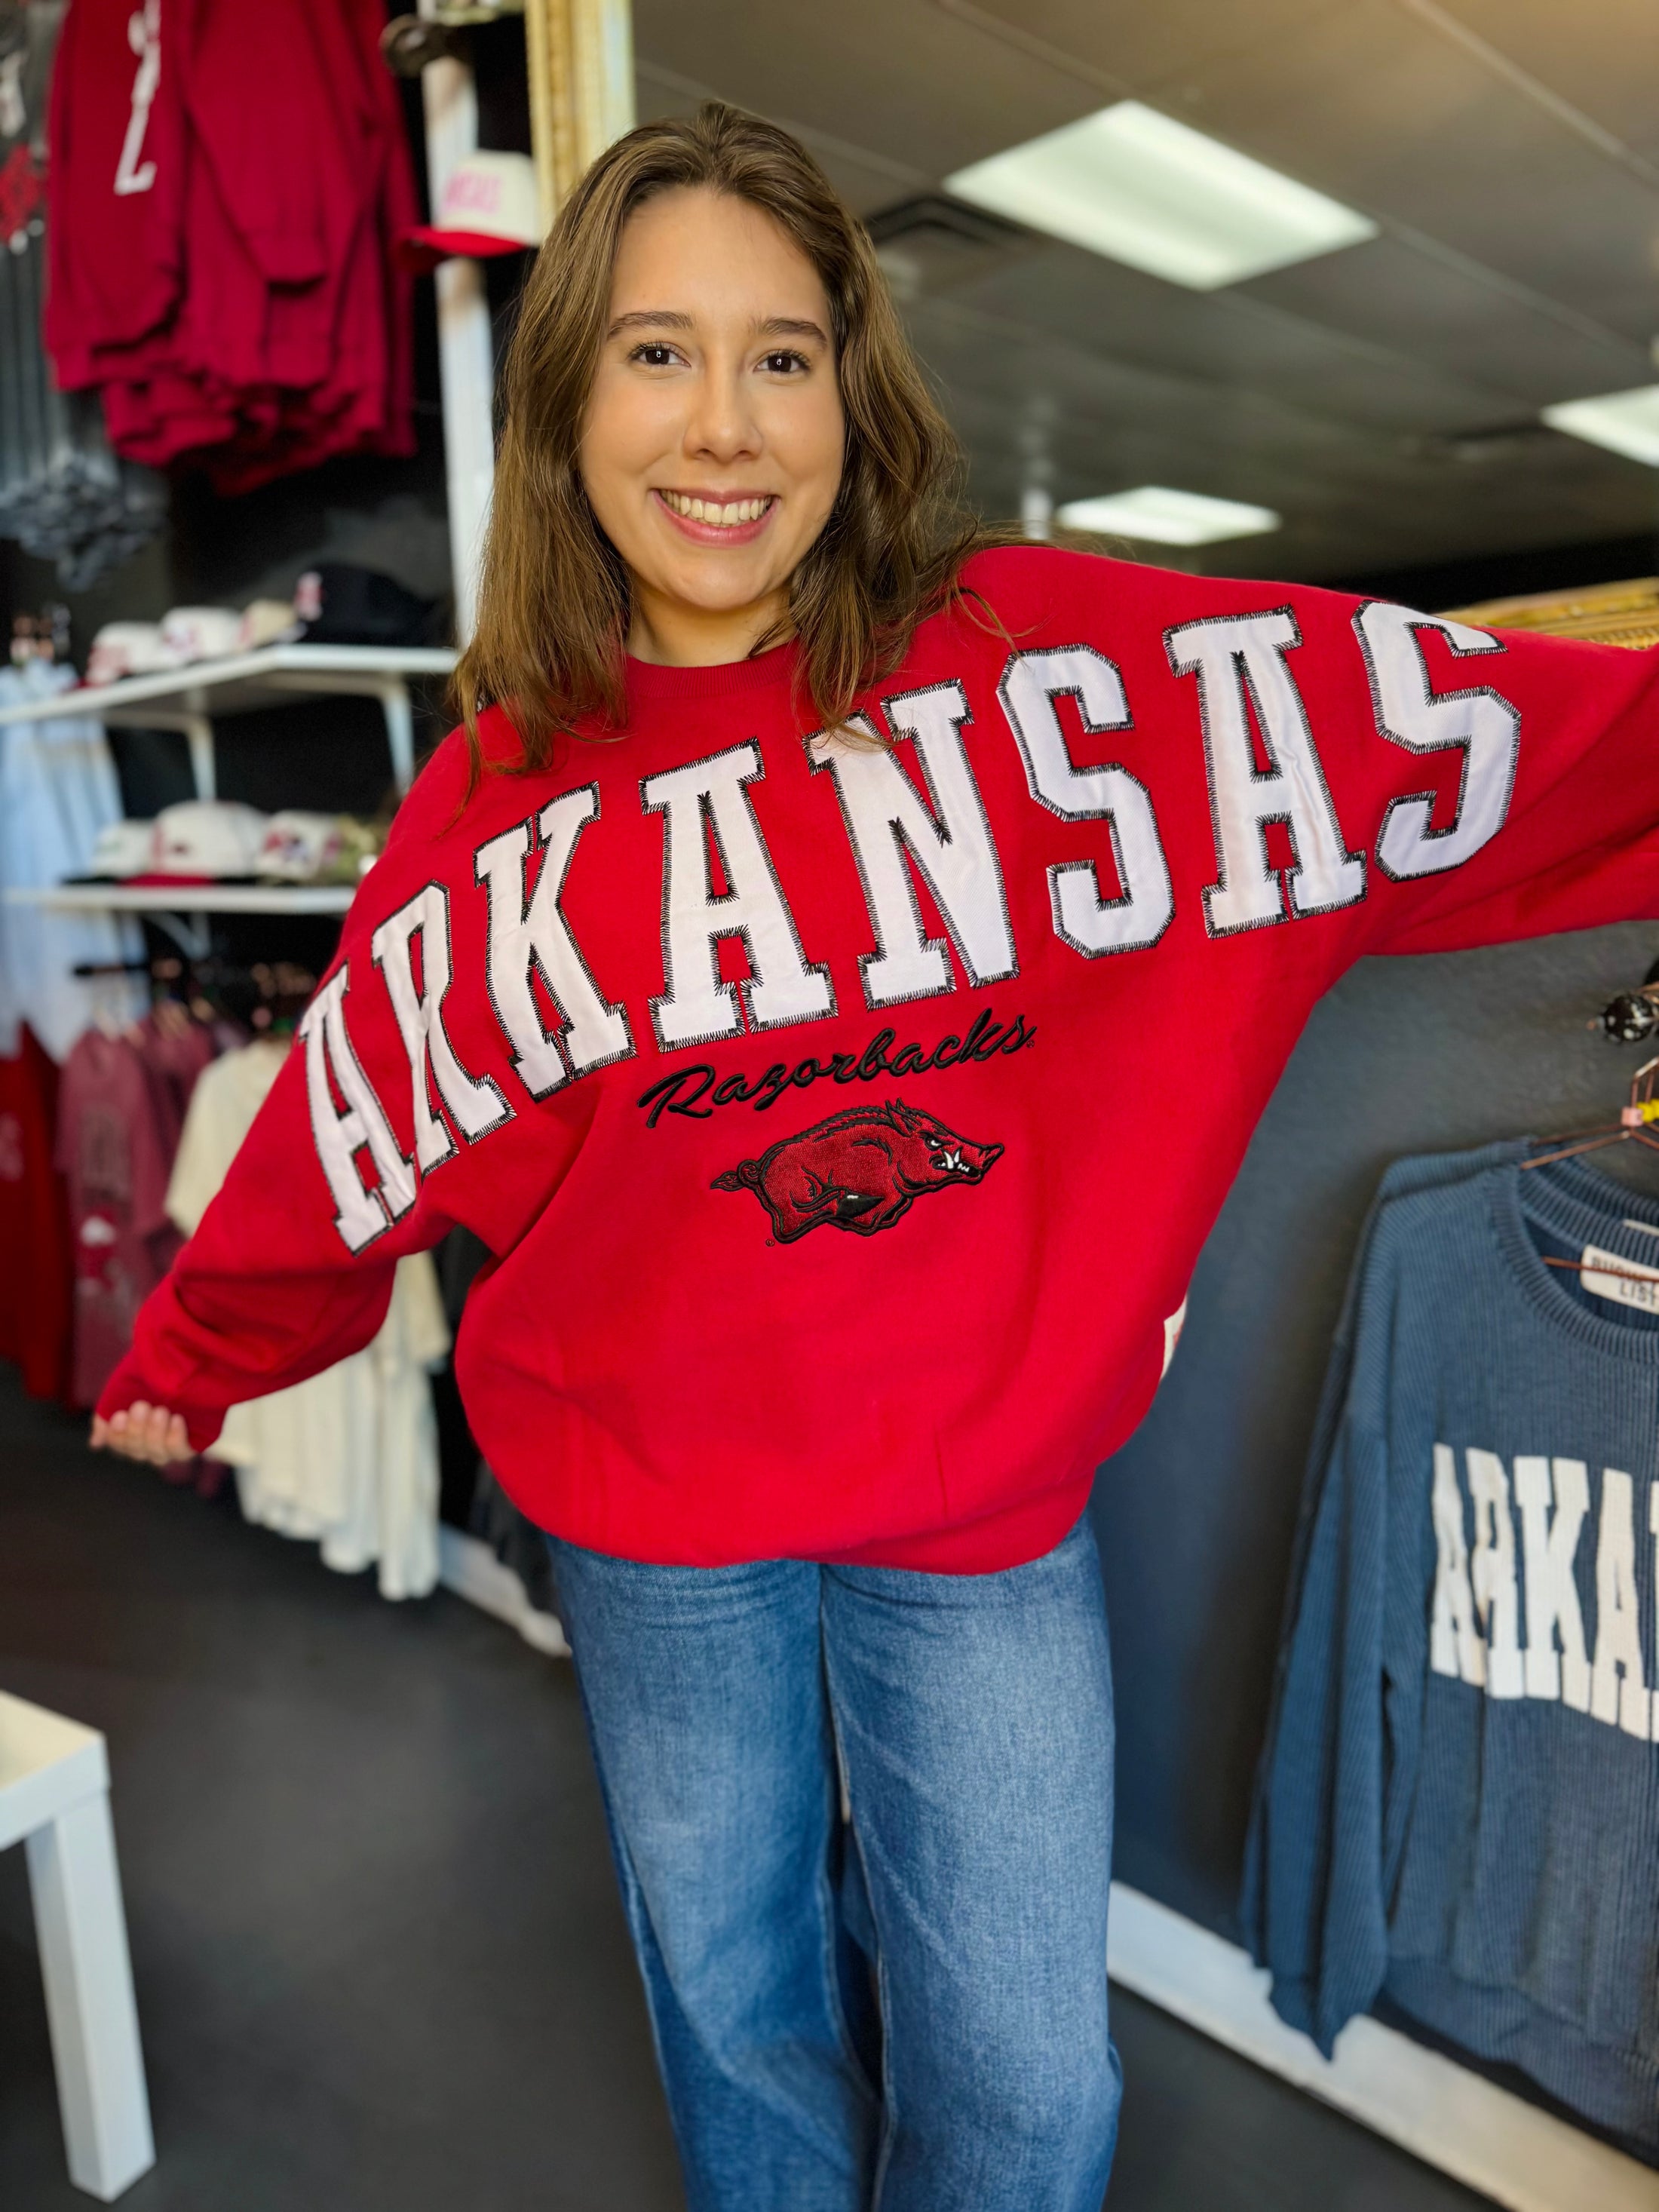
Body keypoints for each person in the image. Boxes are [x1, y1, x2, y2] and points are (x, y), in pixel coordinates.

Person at [93, 101, 1659, 2212]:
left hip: (975, 1516)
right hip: (654, 1521)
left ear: (854, 386)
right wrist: (201, 1342)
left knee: (1024, 2080)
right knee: (738, 2010)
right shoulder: (496, 798)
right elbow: (351, 1133)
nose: (721, 424)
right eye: (655, 352)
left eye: (782, 353)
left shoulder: (1051, 680)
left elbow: (1455, 726)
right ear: (566, 408)